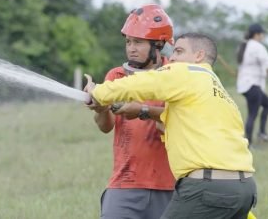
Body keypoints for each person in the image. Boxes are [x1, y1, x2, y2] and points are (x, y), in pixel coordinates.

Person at [84, 32, 257, 219]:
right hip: (245, 189)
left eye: (180, 51)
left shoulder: (188, 72)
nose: (173, 57)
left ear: (198, 56)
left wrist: (99, 92)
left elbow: (143, 83)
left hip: (206, 187)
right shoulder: (218, 90)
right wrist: (143, 111)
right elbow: (170, 125)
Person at [88, 4, 175, 219]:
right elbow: (105, 126)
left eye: (138, 42)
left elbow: (176, 122)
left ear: (159, 44)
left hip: (170, 184)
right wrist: (100, 109)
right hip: (124, 182)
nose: (131, 48)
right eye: (128, 41)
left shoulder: (175, 76)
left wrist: (142, 110)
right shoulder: (116, 76)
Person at [236, 23, 268, 145]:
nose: (263, 36)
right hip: (252, 85)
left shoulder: (246, 46)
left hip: (247, 85)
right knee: (252, 114)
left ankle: (262, 133)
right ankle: (248, 143)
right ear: (257, 34)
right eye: (262, 33)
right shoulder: (257, 47)